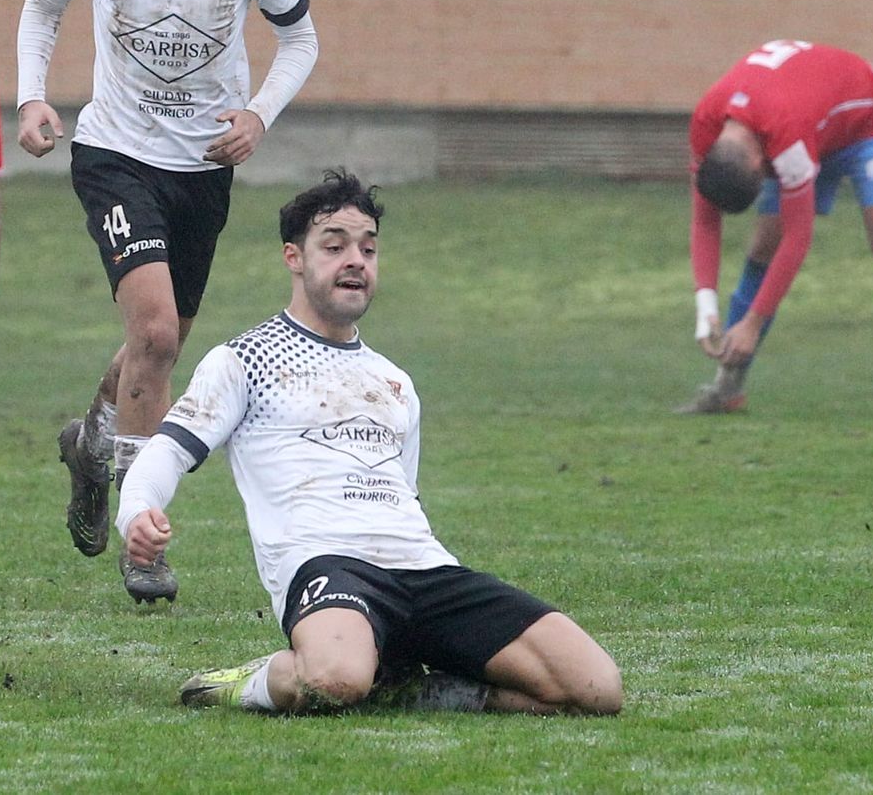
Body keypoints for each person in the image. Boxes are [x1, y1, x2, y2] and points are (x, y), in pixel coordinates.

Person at [118, 170, 623, 716]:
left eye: (368, 248)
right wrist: (137, 512)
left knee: (596, 689)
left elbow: (408, 494)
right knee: (335, 680)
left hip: (424, 568)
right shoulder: (245, 358)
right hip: (329, 566)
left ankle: (425, 689)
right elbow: (168, 449)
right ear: (294, 258)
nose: (355, 260)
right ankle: (256, 680)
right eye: (334, 247)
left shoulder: (395, 382)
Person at [16, 0, 319, 604]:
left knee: (160, 347)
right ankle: (142, 542)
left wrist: (258, 116)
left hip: (203, 171)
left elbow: (300, 38)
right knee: (153, 333)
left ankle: (92, 443)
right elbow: (43, 5)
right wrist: (32, 95)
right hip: (115, 156)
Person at [679, 40, 873, 420]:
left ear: (759, 162)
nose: (771, 177)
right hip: (807, 120)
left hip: (868, 123)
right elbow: (704, 219)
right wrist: (705, 310)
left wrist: (752, 323)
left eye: (768, 174)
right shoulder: (707, 127)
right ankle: (728, 385)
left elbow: (798, 238)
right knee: (763, 244)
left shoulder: (785, 135)